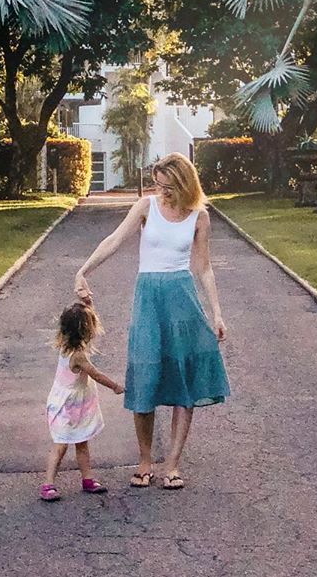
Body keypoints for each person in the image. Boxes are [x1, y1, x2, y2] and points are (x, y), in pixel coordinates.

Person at [74, 152, 229, 491]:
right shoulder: (146, 207)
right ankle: (145, 461)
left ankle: (172, 465)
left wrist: (216, 312)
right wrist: (84, 270)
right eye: (158, 185)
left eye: (169, 187)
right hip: (148, 298)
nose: (163, 192)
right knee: (144, 377)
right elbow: (114, 240)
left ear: (185, 183)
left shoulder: (199, 217)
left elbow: (203, 267)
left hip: (182, 299)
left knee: (183, 381)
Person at [41, 301, 124, 502]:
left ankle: (87, 479)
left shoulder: (67, 347)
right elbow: (95, 374)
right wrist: (115, 386)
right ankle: (48, 484)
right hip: (65, 407)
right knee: (60, 445)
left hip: (75, 406)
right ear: (85, 329)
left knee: (81, 441)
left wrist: (87, 301)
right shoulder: (77, 355)